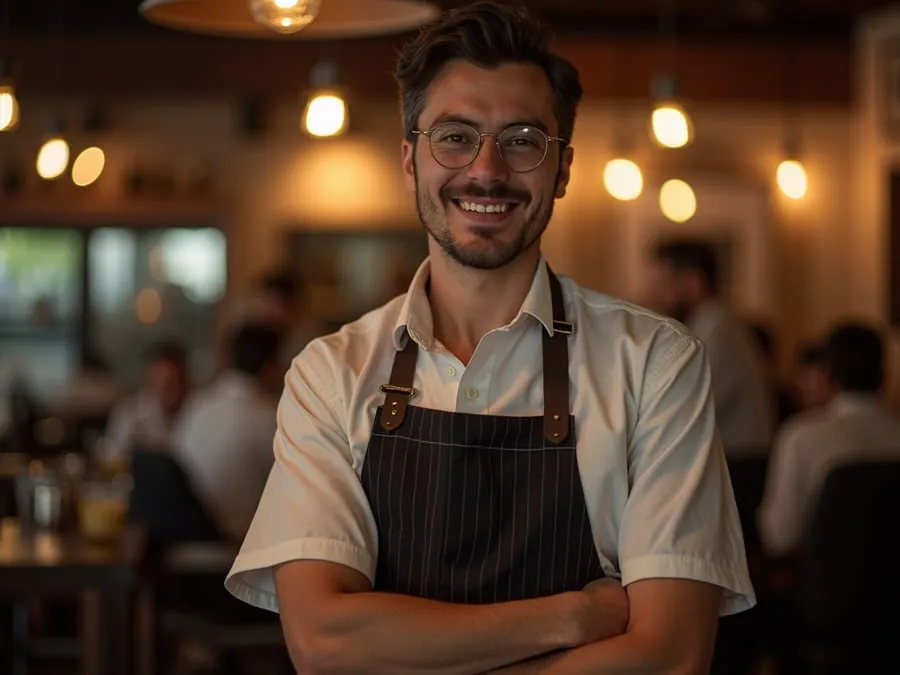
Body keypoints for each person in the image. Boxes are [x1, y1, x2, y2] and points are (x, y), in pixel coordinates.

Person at [225, 3, 754, 673]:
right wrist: (571, 615)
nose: (487, 170)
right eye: (455, 136)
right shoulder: (331, 373)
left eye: (523, 139)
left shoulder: (655, 364)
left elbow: (671, 655)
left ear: (561, 169)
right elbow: (325, 643)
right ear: (410, 160)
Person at [757, 322, 900, 558]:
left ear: (829, 376)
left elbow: (779, 537)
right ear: (885, 375)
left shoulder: (801, 436)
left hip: (826, 586)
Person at [649, 240, 774, 458]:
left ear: (693, 282)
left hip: (739, 465)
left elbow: (686, 406)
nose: (657, 294)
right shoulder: (712, 325)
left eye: (665, 284)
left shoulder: (715, 334)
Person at [173, 324, 283, 543]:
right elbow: (288, 489)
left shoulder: (197, 404)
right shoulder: (268, 417)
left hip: (178, 539)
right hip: (231, 547)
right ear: (271, 366)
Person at [101, 341, 190, 467]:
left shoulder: (196, 411)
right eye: (159, 383)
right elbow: (112, 458)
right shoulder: (131, 415)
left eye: (173, 383)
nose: (166, 392)